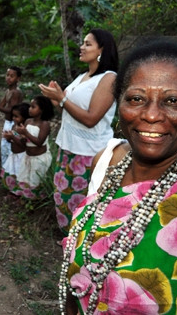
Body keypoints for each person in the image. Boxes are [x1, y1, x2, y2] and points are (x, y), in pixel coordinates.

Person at [57, 40, 177, 315]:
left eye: (172, 101)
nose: (151, 115)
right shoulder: (106, 162)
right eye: (136, 99)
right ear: (119, 103)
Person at [39, 29, 119, 236]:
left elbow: (91, 119)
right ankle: (70, 240)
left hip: (89, 152)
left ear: (102, 49)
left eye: (88, 44)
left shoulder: (109, 78)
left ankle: (81, 242)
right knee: (63, 196)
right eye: (83, 43)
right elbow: (68, 110)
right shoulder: (83, 77)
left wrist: (62, 99)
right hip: (68, 147)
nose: (81, 47)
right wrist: (55, 98)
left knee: (85, 199)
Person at [14, 96, 54, 199]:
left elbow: (39, 142)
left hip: (39, 158)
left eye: (33, 107)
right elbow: (26, 141)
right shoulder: (28, 121)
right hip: (28, 156)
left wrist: (26, 133)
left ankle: (36, 201)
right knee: (26, 178)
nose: (29, 109)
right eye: (30, 106)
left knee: (36, 179)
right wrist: (21, 136)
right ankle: (26, 198)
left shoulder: (44, 124)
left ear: (42, 109)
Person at [0, 66, 24, 168]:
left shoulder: (16, 92)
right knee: (4, 147)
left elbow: (11, 110)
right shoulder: (8, 91)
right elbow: (2, 105)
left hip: (13, 123)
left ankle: (11, 172)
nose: (8, 78)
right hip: (8, 123)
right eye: (7, 75)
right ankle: (6, 171)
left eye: (12, 76)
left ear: (18, 78)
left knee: (10, 148)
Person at [1, 102, 30, 201]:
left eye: (16, 116)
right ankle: (12, 192)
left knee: (19, 174)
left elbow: (23, 144)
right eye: (13, 116)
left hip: (21, 156)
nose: (14, 118)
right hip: (13, 155)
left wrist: (13, 136)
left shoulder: (24, 129)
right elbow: (12, 141)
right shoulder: (14, 126)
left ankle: (19, 194)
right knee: (12, 173)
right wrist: (8, 138)